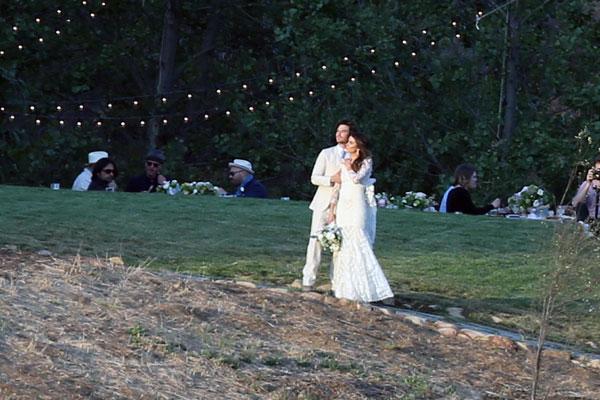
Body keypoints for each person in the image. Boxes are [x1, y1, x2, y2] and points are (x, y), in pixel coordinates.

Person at [327, 132, 393, 303]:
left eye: (351, 142)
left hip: (357, 204)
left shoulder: (366, 162)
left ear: (358, 146)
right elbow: (338, 185)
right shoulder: (344, 161)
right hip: (344, 204)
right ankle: (345, 288)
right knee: (344, 245)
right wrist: (332, 208)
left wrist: (349, 166)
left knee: (357, 239)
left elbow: (357, 179)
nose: (347, 144)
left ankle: (368, 288)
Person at [301, 120, 353, 291]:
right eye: (338, 131)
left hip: (344, 205)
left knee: (339, 243)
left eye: (343, 131)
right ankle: (308, 278)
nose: (339, 134)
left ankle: (336, 281)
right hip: (323, 203)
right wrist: (331, 179)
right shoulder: (327, 153)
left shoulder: (355, 155)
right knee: (315, 241)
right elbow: (314, 177)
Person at [572, 155, 600, 220]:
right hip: (592, 221)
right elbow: (575, 203)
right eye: (599, 170)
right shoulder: (587, 184)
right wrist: (588, 183)